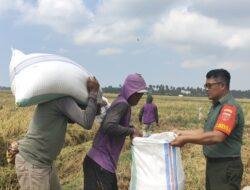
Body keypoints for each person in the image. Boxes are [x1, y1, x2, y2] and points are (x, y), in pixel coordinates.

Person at [15, 77, 100, 190]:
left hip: (45, 162)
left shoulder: (56, 99)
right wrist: (93, 93)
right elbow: (86, 122)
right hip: (33, 162)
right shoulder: (62, 100)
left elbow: (74, 118)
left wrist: (92, 106)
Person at [171, 69, 245, 190]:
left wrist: (186, 139)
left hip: (225, 167)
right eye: (206, 85)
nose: (206, 89)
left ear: (222, 85)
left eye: (209, 85)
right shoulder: (216, 106)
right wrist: (181, 132)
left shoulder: (229, 107)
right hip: (214, 165)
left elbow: (217, 136)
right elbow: (206, 131)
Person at [83, 73, 147, 190]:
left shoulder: (121, 102)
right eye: (138, 94)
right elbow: (109, 126)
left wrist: (131, 129)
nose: (139, 98)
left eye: (141, 95)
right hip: (100, 164)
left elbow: (113, 123)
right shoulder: (123, 104)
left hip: (100, 164)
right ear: (130, 91)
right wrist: (131, 130)